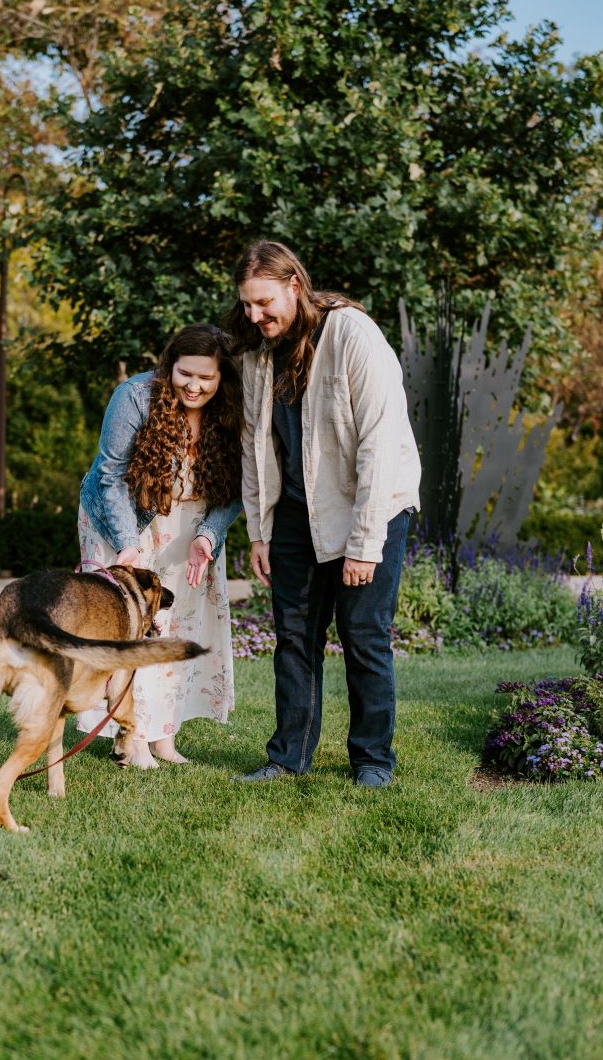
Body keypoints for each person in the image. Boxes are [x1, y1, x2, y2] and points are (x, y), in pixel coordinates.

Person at [228, 240, 421, 787]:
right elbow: (254, 449)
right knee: (293, 637)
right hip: (293, 514)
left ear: (295, 284)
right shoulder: (258, 352)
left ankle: (372, 760)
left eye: (263, 302)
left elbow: (379, 444)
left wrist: (363, 543)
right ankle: (287, 757)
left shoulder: (352, 334)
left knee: (363, 636)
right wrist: (259, 532)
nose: (254, 315)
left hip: (370, 506)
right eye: (246, 305)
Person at [77, 324, 243, 767]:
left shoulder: (230, 409)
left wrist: (209, 536)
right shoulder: (134, 397)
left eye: (206, 378)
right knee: (131, 628)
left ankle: (163, 733)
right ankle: (130, 735)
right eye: (185, 374)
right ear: (170, 366)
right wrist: (126, 545)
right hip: (126, 521)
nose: (194, 386)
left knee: (181, 626)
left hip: (191, 531)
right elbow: (110, 476)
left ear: (221, 377)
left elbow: (236, 488)